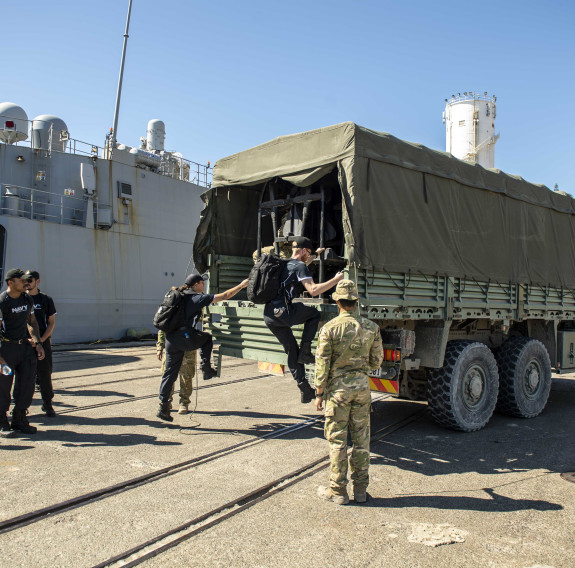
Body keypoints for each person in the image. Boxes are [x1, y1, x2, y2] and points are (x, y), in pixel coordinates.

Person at [314, 279, 383, 505]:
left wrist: (319, 393)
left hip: (338, 391)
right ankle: (361, 490)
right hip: (362, 389)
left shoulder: (329, 328)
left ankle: (338, 491)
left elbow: (322, 363)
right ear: (356, 301)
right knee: (362, 440)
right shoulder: (372, 328)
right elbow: (376, 362)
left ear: (337, 302)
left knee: (337, 441)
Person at [157, 271, 248, 422]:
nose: (204, 286)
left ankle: (163, 408)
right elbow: (224, 296)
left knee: (169, 374)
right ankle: (206, 368)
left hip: (171, 340)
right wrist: (241, 285)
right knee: (206, 339)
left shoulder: (178, 296)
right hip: (185, 338)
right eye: (202, 283)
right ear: (196, 284)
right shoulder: (196, 298)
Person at [263, 236, 344, 403]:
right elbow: (313, 290)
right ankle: (306, 350)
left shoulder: (283, 263)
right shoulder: (300, 265)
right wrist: (336, 280)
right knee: (313, 314)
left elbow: (297, 268)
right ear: (303, 251)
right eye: (308, 253)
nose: (309, 256)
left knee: (292, 351)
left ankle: (305, 388)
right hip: (284, 312)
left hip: (269, 315)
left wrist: (315, 255)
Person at [0, 269, 45, 437]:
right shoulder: (2, 302)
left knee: (27, 384)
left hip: (25, 348)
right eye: (22, 280)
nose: (26, 283)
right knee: (3, 385)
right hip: (6, 349)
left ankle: (19, 418)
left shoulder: (27, 299)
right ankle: (2, 420)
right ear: (11, 282)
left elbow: (32, 322)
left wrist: (38, 343)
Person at [23, 270, 57, 417]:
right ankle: (21, 407)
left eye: (30, 280)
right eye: (25, 280)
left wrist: (41, 341)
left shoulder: (45, 299)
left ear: (37, 281)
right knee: (23, 376)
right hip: (24, 344)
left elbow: (51, 323)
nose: (27, 282)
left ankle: (47, 404)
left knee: (45, 374)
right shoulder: (20, 299)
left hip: (42, 343)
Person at [156, 329, 196, 414]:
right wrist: (160, 347)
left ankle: (184, 403)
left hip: (187, 348)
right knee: (167, 376)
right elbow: (162, 328)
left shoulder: (192, 315)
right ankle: (166, 401)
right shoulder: (170, 315)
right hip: (171, 347)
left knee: (186, 376)